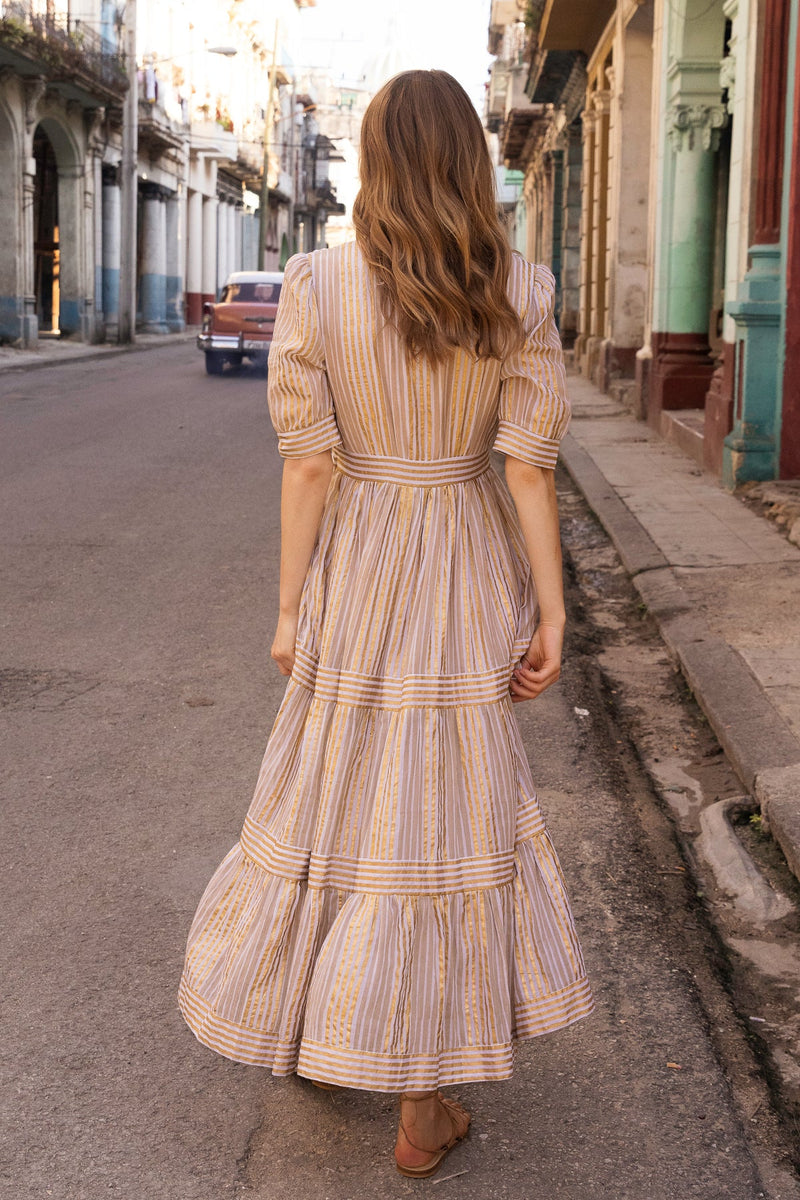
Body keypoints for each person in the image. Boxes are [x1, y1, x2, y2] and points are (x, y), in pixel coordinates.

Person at [179, 68, 594, 1179]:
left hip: (359, 562)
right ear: (467, 159)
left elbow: (310, 463)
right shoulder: (519, 289)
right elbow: (525, 471)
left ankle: (325, 1027)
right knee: (439, 811)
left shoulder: (315, 285)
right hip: (460, 561)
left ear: (372, 159)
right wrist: (551, 615)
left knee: (336, 794)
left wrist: (286, 607)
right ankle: (422, 1098)